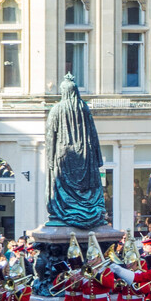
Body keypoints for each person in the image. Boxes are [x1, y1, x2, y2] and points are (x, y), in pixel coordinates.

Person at [45, 73, 106, 228]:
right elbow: (93, 133)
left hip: (63, 157)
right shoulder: (83, 108)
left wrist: (50, 161)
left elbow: (50, 137)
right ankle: (87, 212)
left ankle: (66, 211)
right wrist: (97, 158)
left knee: (63, 185)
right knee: (86, 189)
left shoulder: (56, 110)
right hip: (85, 155)